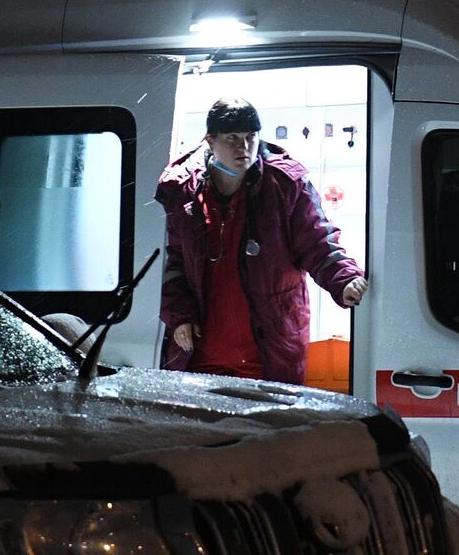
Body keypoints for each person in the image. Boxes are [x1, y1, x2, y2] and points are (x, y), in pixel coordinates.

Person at [155, 97, 367, 384]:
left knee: (266, 428)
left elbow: (318, 239)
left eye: (250, 137)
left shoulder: (285, 184)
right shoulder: (183, 191)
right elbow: (173, 262)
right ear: (210, 141)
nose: (243, 147)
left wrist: (344, 279)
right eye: (232, 138)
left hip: (268, 353)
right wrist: (180, 315)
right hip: (201, 358)